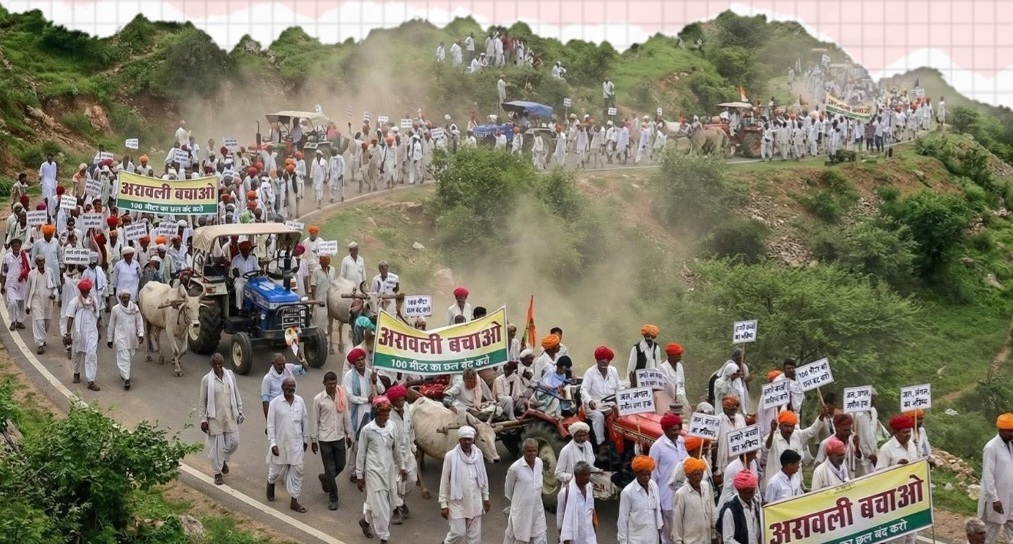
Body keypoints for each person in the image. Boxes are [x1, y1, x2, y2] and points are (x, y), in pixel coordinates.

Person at [356, 396, 405, 543]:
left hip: (389, 470)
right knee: (381, 507)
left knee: (388, 503)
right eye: (381, 414)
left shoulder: (392, 427)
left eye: (386, 414)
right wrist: (359, 475)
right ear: (375, 414)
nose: (384, 417)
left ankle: (365, 521)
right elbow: (361, 454)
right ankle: (384, 537)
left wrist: (402, 467)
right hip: (373, 472)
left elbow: (397, 450)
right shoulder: (367, 430)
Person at [439, 425, 491, 544]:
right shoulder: (450, 456)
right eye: (464, 439)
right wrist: (443, 504)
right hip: (457, 502)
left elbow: (483, 476)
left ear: (473, 440)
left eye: (469, 439)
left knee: (474, 538)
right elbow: (444, 481)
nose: (467, 442)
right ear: (459, 440)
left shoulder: (478, 454)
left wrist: (486, 497)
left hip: (475, 501)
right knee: (458, 532)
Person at [199, 353, 245, 486]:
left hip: (230, 415)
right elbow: (202, 401)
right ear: (211, 365)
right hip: (214, 418)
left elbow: (236, 393)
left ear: (223, 362)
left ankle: (223, 460)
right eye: (215, 364)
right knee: (216, 448)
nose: (218, 366)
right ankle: (217, 473)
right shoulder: (206, 380)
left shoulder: (230, 375)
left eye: (220, 363)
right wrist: (203, 420)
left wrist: (240, 410)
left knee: (234, 442)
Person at [266, 377, 309, 513]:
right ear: (282, 388)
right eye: (288, 386)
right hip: (280, 444)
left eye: (293, 386)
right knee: (275, 472)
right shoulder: (275, 403)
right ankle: (270, 483)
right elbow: (270, 424)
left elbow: (304, 421)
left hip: (296, 443)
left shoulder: (300, 401)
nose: (291, 389)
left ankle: (294, 501)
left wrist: (306, 440)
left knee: (298, 471)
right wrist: (273, 443)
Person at [310, 371, 352, 511]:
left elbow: (346, 415)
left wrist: (349, 434)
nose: (333, 386)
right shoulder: (318, 399)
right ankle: (333, 498)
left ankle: (325, 478)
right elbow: (315, 420)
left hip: (339, 437)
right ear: (324, 383)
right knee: (330, 467)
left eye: (334, 383)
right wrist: (313, 439)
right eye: (330, 383)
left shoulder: (341, 396)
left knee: (340, 464)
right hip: (324, 439)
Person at [344, 347, 386, 477]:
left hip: (372, 413)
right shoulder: (349, 376)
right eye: (358, 360)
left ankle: (367, 470)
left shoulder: (370, 373)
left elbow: (381, 389)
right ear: (353, 363)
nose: (361, 362)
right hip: (357, 414)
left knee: (371, 442)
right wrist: (365, 399)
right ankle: (353, 472)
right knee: (356, 445)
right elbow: (349, 396)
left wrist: (374, 380)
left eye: (362, 359)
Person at [388, 384, 424, 524]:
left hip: (408, 453)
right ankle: (395, 509)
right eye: (398, 401)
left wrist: (414, 448)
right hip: (393, 456)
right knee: (396, 483)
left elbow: (410, 430)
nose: (401, 403)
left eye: (403, 400)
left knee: (411, 480)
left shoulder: (408, 409)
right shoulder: (388, 416)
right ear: (392, 402)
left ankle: (401, 501)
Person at [650, 412, 686, 544]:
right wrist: (656, 499)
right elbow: (652, 475)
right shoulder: (657, 447)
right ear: (665, 430)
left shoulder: (681, 441)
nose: (677, 432)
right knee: (668, 533)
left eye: (678, 429)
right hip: (666, 495)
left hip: (682, 490)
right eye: (674, 430)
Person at [978, 413, 1013, 544]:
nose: (1012, 434)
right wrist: (995, 499)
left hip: (1010, 498)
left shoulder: (1010, 445)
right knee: (988, 535)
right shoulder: (991, 447)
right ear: (1001, 430)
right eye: (1010, 431)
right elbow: (988, 476)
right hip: (997, 501)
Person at [504, 438, 547, 544]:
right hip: (521, 510)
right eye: (529, 451)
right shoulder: (515, 468)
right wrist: (519, 502)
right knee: (520, 538)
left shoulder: (539, 463)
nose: (532, 453)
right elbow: (508, 490)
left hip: (537, 509)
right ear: (523, 451)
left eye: (534, 450)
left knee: (540, 536)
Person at [581, 345, 622, 447]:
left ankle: (617, 441)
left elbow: (619, 388)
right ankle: (601, 444)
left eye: (606, 360)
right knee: (598, 417)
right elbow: (583, 390)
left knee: (622, 415)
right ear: (597, 360)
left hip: (611, 404)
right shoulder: (590, 372)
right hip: (594, 405)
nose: (604, 362)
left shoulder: (614, 371)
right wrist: (589, 401)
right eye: (601, 360)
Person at [618, 455, 663, 544]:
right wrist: (623, 541)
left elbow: (657, 512)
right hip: (636, 540)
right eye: (643, 474)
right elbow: (623, 519)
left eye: (649, 474)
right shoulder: (627, 492)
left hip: (653, 538)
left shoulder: (654, 486)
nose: (647, 477)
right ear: (635, 474)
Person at [66, 278, 101, 391]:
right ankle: (76, 372)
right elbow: (70, 318)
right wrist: (68, 334)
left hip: (91, 331)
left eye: (87, 291)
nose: (86, 293)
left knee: (91, 354)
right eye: (84, 291)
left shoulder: (94, 301)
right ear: (80, 291)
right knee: (77, 353)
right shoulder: (75, 302)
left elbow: (97, 316)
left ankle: (90, 380)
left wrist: (98, 330)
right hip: (79, 332)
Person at [671, 457, 715, 544]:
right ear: (688, 475)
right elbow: (677, 520)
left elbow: (712, 509)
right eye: (695, 474)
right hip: (691, 540)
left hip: (706, 539)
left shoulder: (706, 486)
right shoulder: (681, 494)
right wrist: (678, 541)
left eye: (701, 474)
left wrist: (714, 533)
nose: (698, 477)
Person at [106, 290, 144, 390]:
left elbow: (139, 321)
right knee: (124, 357)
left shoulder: (134, 308)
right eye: (124, 298)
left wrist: (141, 334)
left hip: (132, 338)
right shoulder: (116, 309)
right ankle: (127, 380)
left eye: (127, 297)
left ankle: (124, 374)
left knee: (130, 356)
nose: (126, 300)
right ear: (120, 298)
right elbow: (111, 324)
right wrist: (109, 338)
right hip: (120, 337)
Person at [716, 471, 762, 544]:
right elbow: (728, 539)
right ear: (739, 491)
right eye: (745, 493)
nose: (748, 496)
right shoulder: (730, 511)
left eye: (751, 492)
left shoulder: (756, 504)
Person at [557, 461, 597, 544]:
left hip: (589, 537)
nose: (588, 477)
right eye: (584, 475)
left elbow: (591, 511)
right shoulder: (565, 493)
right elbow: (560, 518)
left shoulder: (590, 488)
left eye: (589, 474)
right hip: (573, 539)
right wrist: (563, 537)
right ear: (576, 475)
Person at [25, 254, 57, 355]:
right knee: (39, 322)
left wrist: (54, 295)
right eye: (39, 261)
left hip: (48, 300)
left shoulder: (50, 272)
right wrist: (27, 305)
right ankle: (40, 344)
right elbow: (28, 290)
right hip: (36, 300)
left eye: (42, 261)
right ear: (36, 262)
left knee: (47, 321)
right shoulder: (31, 274)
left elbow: (55, 287)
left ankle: (42, 338)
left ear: (44, 261)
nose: (41, 263)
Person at [260, 353, 308, 419]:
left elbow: (304, 369)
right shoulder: (267, 379)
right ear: (273, 363)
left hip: (291, 408)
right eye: (279, 364)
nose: (282, 366)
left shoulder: (289, 368)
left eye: (283, 364)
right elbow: (265, 401)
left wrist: (302, 360)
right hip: (277, 412)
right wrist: (268, 420)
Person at [556, 421, 600, 485]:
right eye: (579, 436)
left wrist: (597, 470)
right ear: (573, 435)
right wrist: (575, 478)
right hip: (572, 487)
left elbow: (588, 465)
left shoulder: (588, 446)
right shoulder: (566, 450)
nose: (582, 438)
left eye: (584, 435)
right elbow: (558, 474)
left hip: (587, 485)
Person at [1, 238, 30, 331]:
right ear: (12, 247)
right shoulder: (7, 257)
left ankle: (19, 321)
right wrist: (2, 285)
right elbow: (4, 272)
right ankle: (13, 321)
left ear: (20, 246)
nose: (16, 247)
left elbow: (29, 270)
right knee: (13, 303)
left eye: (18, 246)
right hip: (11, 284)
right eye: (14, 246)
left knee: (21, 304)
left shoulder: (25, 256)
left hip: (22, 284)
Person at [659, 343, 689, 416]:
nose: (680, 357)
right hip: (668, 398)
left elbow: (682, 383)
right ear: (671, 356)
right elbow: (664, 386)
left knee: (687, 412)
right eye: (678, 355)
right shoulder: (662, 368)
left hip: (681, 396)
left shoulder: (680, 366)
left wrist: (681, 396)